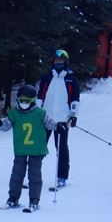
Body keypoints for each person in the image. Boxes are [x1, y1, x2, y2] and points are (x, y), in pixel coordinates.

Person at [0, 84, 61, 210]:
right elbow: (6, 126)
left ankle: (34, 200)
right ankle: (13, 198)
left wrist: (58, 126)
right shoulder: (14, 114)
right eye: (21, 100)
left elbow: (50, 123)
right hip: (20, 150)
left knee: (34, 176)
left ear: (32, 101)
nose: (23, 103)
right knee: (16, 175)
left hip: (36, 150)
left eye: (26, 101)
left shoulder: (40, 113)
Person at [37, 49, 81, 188]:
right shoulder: (47, 77)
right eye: (56, 60)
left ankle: (62, 177)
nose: (58, 62)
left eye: (61, 60)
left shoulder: (71, 79)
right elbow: (40, 97)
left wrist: (73, 116)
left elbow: (75, 99)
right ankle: (34, 174)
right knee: (39, 147)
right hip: (46, 118)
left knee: (61, 148)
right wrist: (38, 112)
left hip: (62, 119)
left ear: (66, 62)